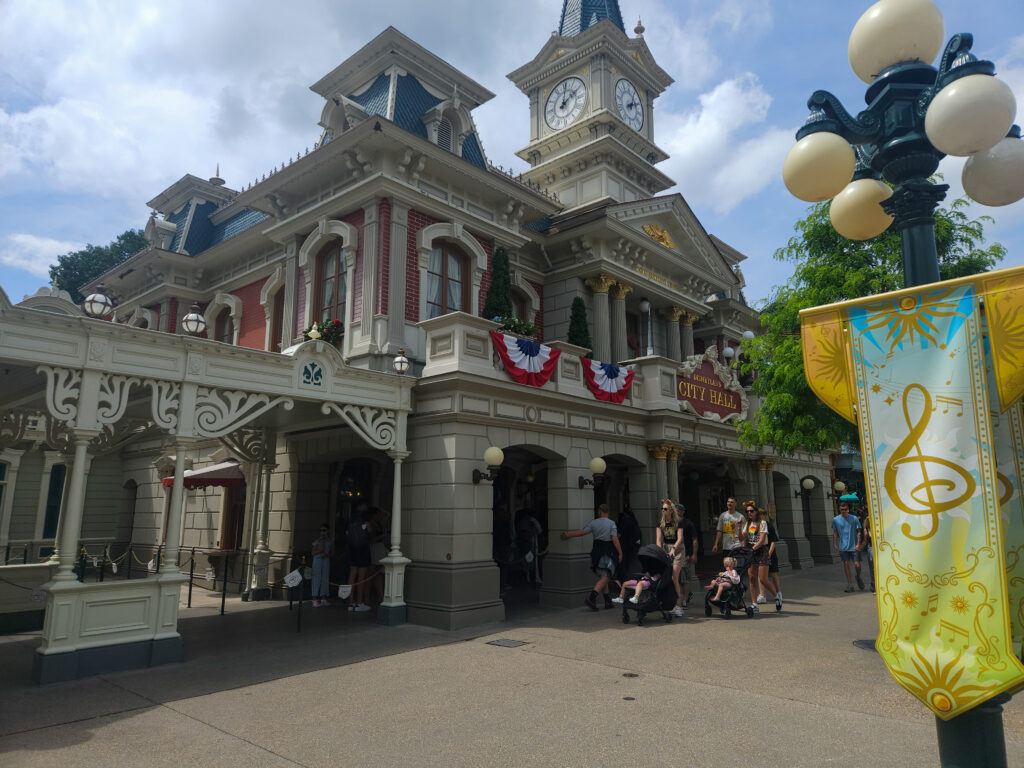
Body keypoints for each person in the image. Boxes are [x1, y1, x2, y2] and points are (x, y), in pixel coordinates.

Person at [561, 503, 622, 611]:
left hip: (596, 551)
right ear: (608, 512)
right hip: (607, 551)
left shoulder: (594, 523)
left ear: (599, 511)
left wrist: (568, 535)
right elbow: (614, 538)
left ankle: (607, 601)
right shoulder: (611, 523)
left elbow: (582, 532)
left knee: (603, 576)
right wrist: (620, 552)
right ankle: (591, 598)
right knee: (606, 576)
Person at [655, 499, 684, 616]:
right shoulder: (661, 523)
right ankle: (668, 603)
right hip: (666, 548)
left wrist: (673, 549)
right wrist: (659, 551)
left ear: (671, 510)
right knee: (665, 577)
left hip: (678, 549)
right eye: (662, 509)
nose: (663, 510)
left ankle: (678, 606)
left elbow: (680, 538)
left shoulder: (678, 522)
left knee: (674, 577)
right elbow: (658, 539)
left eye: (665, 509)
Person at [832, 495, 864, 592]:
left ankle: (858, 577)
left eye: (845, 509)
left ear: (848, 509)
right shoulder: (836, 520)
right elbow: (835, 532)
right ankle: (849, 584)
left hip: (854, 546)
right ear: (839, 509)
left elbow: (859, 531)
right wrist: (835, 543)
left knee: (857, 565)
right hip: (843, 547)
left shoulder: (854, 518)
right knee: (846, 564)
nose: (843, 511)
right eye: (842, 509)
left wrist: (858, 544)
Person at [742, 501, 769, 614]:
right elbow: (742, 538)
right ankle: (754, 604)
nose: (749, 513)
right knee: (752, 578)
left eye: (751, 511)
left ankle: (777, 595)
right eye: (747, 511)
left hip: (760, 550)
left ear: (756, 512)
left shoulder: (762, 523)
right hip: (751, 551)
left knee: (762, 578)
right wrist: (739, 528)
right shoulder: (747, 524)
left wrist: (752, 549)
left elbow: (762, 540)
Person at [346, 507, 373, 611]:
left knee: (352, 577)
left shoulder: (350, 524)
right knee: (361, 578)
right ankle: (359, 602)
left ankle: (350, 602)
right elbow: (370, 532)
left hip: (352, 551)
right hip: (363, 551)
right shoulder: (366, 524)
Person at [675, 503, 698, 613]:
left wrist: (694, 554)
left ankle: (685, 599)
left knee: (685, 578)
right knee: (677, 578)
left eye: (679, 510)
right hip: (674, 554)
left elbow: (694, 539)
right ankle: (679, 598)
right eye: (675, 510)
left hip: (686, 554)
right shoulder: (672, 523)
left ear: (683, 512)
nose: (677, 512)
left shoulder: (688, 523)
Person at [761, 508, 783, 610]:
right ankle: (762, 595)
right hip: (760, 553)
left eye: (760, 514)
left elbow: (773, 541)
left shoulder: (769, 526)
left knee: (773, 573)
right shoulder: (757, 525)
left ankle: (778, 593)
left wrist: (769, 553)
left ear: (764, 515)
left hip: (770, 553)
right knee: (760, 575)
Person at [616, 505, 642, 583]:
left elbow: (620, 534)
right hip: (632, 546)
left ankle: (623, 581)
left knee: (623, 565)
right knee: (630, 565)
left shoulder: (624, 521)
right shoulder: (634, 521)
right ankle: (629, 580)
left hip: (624, 546)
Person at [311, 523, 334, 607]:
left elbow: (332, 553)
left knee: (325, 578)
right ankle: (314, 599)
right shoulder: (316, 541)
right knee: (316, 578)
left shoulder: (330, 541)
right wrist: (320, 550)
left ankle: (323, 598)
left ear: (328, 531)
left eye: (324, 530)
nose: (322, 532)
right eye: (320, 531)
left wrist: (327, 555)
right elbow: (313, 553)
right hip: (317, 560)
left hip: (326, 560)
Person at [858, 504, 874, 592]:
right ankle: (873, 587)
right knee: (872, 569)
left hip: (879, 549)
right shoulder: (866, 530)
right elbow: (865, 540)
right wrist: (859, 547)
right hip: (870, 548)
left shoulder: (878, 528)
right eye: (868, 519)